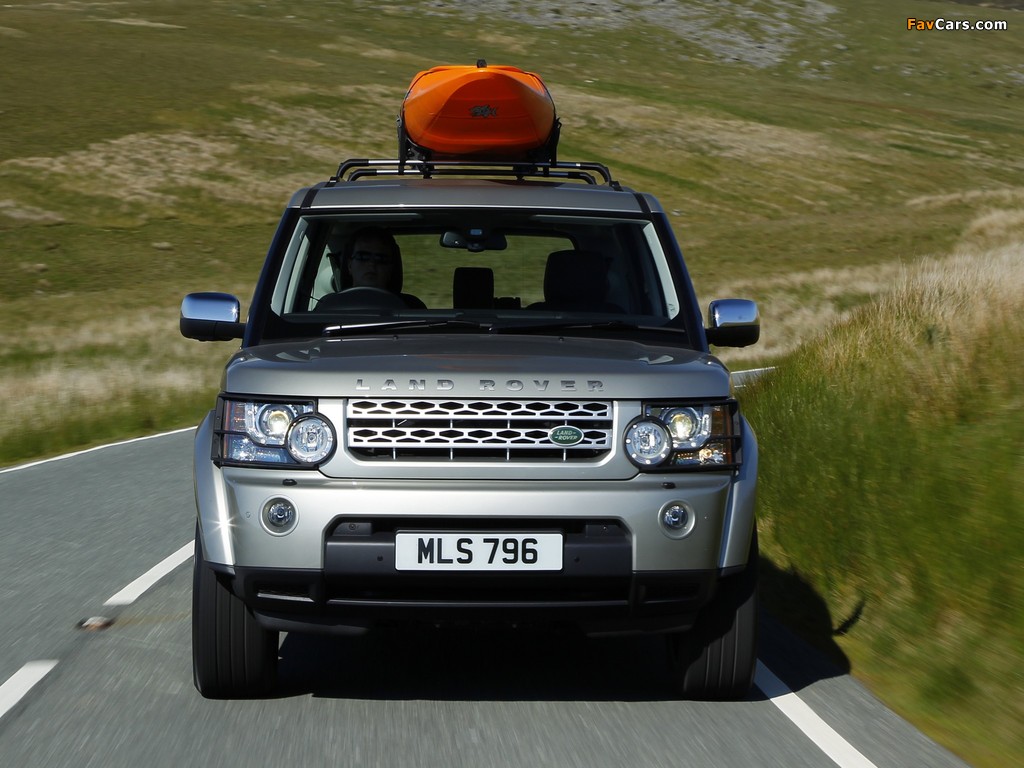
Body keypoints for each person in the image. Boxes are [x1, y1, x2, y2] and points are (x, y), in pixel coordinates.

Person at [337, 226, 425, 308]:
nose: (371, 263)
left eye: (381, 259)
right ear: (349, 265)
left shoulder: (411, 307)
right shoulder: (332, 306)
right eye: (363, 257)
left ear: (391, 269)